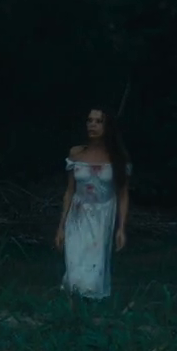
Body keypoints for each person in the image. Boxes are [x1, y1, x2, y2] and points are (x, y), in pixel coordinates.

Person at [54, 107, 131, 300]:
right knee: (74, 259)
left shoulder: (117, 158)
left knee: (94, 265)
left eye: (98, 121)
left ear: (108, 126)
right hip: (78, 213)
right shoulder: (76, 153)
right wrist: (61, 226)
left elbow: (123, 194)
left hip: (102, 215)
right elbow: (69, 191)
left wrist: (121, 228)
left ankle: (91, 302)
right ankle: (72, 302)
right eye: (89, 121)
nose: (92, 125)